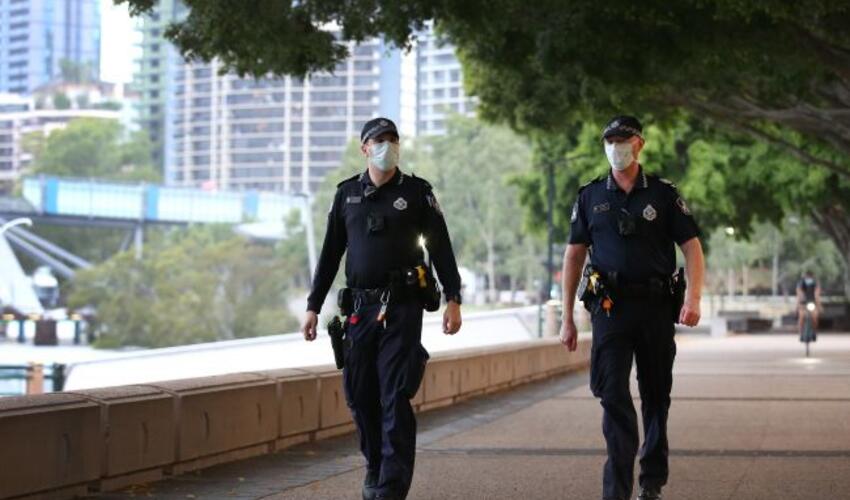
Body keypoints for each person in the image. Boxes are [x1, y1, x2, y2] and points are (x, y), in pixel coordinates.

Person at [301, 117, 463, 500]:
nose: (386, 146)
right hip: (359, 308)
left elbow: (440, 246)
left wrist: (453, 298)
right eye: (378, 141)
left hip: (402, 307)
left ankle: (390, 485)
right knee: (359, 394)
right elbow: (329, 255)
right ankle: (375, 465)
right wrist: (312, 305)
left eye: (392, 140)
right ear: (364, 148)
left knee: (394, 394)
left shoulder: (417, 192)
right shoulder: (346, 195)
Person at [559, 116, 705, 500]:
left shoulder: (662, 194)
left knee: (657, 395)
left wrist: (694, 298)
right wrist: (566, 319)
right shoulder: (590, 196)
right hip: (610, 310)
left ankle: (652, 480)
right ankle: (617, 489)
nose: (616, 146)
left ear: (639, 143)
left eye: (623, 139)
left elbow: (692, 247)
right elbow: (573, 256)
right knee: (612, 394)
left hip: (656, 308)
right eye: (610, 140)